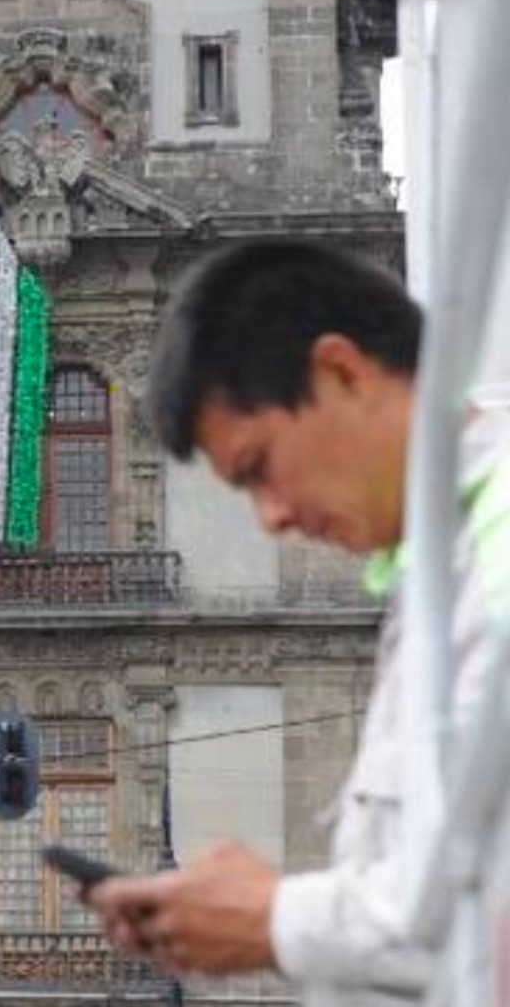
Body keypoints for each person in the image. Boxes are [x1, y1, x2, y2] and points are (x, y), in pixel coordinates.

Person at [89, 239, 509, 1007]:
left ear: (342, 372)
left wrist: (273, 918)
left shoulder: (499, 542)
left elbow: (488, 906)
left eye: (259, 468)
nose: (272, 517)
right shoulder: (435, 571)